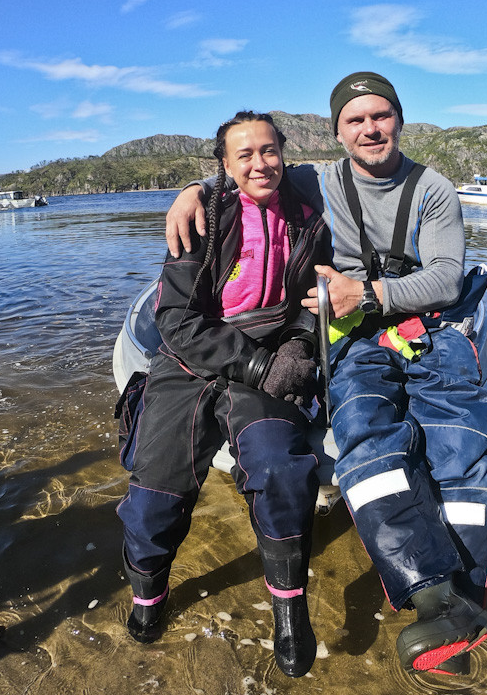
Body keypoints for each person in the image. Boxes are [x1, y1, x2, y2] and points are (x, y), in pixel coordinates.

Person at [166, 73, 487, 677]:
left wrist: (366, 292)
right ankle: (430, 597)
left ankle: (466, 600)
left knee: (456, 448)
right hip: (357, 337)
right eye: (355, 120)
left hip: (430, 327)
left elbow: (448, 278)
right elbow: (246, 171)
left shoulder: (434, 190)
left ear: (399, 120)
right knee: (366, 436)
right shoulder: (316, 177)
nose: (370, 129)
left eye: (381, 116)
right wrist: (193, 190)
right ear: (339, 130)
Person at [117, 111, 331, 678]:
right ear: (224, 166)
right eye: (245, 155)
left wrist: (299, 348)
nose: (260, 163)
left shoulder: (310, 218)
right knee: (154, 494)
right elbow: (175, 318)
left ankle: (289, 607)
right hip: (193, 357)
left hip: (270, 353)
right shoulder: (202, 216)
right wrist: (257, 364)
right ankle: (147, 595)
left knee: (281, 470)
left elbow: (315, 301)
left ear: (284, 152)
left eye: (269, 150)